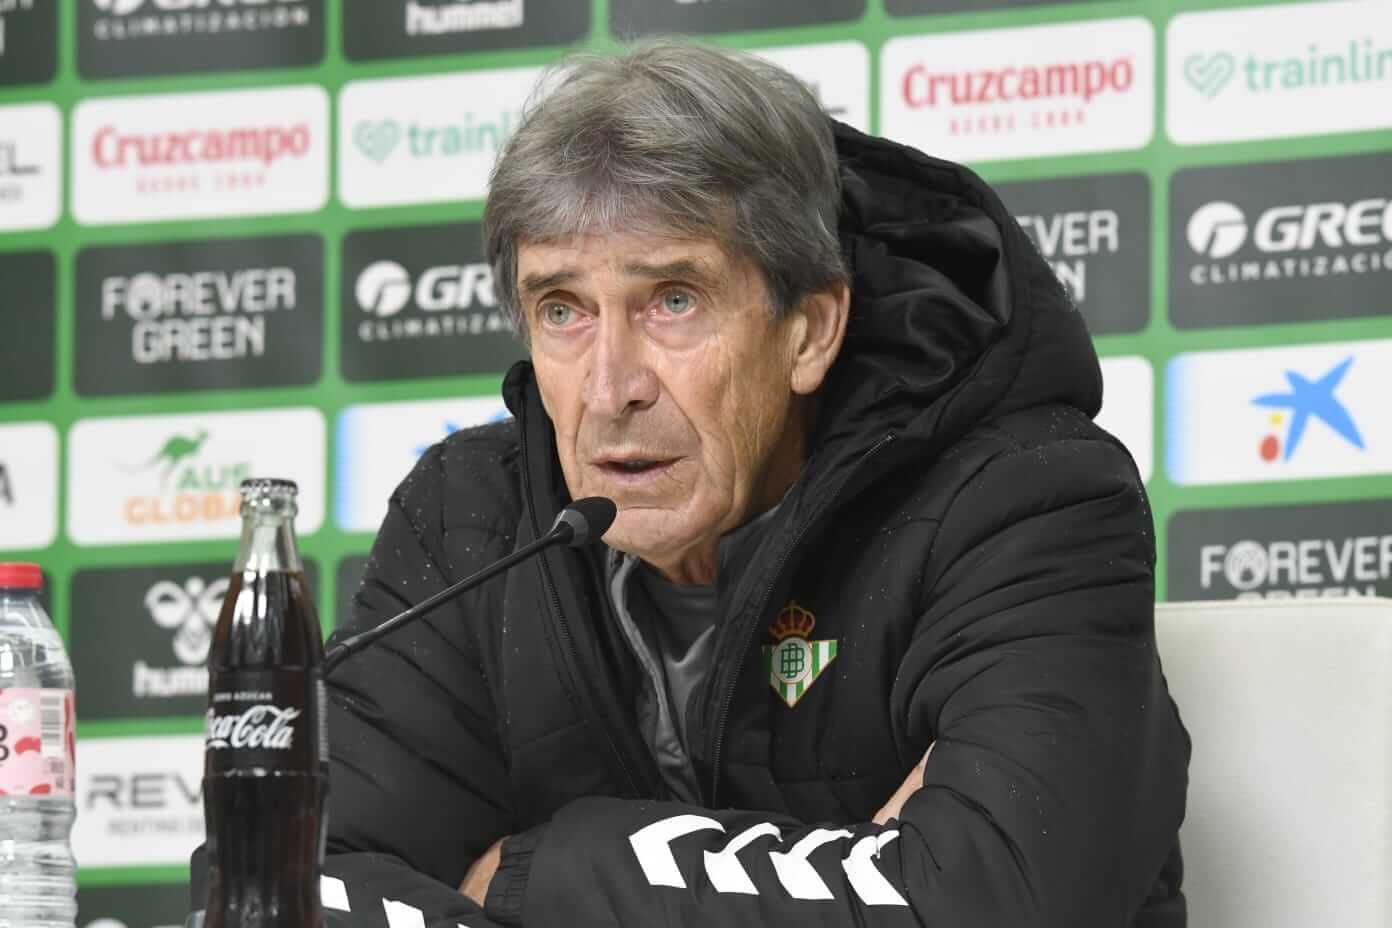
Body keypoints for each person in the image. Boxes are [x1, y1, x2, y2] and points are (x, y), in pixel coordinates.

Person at [322, 40, 1190, 928]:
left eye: (673, 300)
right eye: (563, 310)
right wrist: (858, 873)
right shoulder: (467, 518)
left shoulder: (1027, 502)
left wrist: (532, 876)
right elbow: (299, 876)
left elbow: (990, 905)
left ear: (809, 331)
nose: (611, 389)